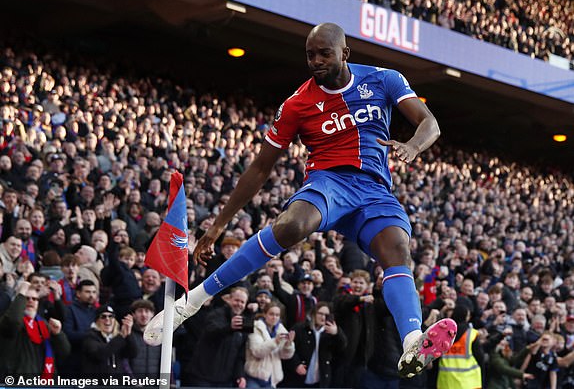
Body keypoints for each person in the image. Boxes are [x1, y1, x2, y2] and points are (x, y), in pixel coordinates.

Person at [145, 22, 456, 378]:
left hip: (374, 191)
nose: (317, 61)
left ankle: (413, 342)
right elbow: (261, 168)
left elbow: (429, 122)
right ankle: (194, 299)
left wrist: (413, 147)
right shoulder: (298, 103)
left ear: (345, 53)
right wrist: (218, 226)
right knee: (291, 224)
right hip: (329, 183)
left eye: (325, 53)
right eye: (310, 55)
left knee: (399, 248)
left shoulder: (384, 79)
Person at [244, 301, 295, 387]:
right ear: (264, 314)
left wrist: (288, 345)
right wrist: (275, 341)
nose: (274, 317)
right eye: (271, 314)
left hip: (272, 379)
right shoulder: (255, 327)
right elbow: (257, 351)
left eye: (277, 315)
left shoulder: (281, 330)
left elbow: (285, 356)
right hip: (255, 377)